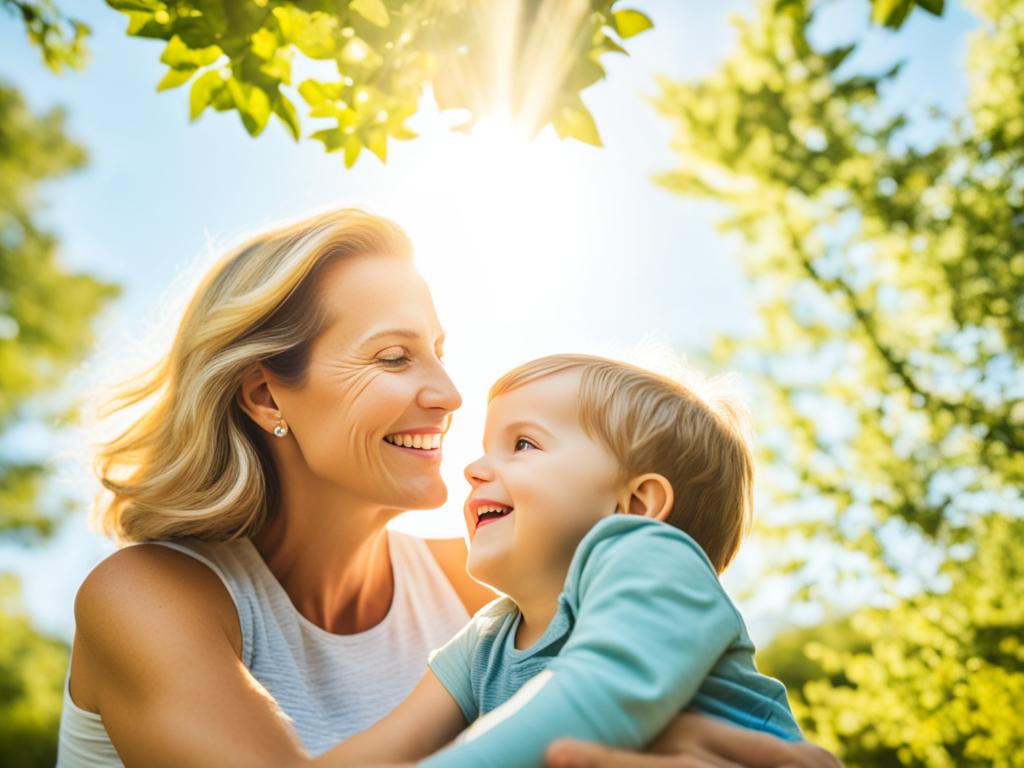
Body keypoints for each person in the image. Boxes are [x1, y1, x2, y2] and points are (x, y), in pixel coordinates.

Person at [58, 209, 840, 768]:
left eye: (437, 352)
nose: (449, 393)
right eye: (395, 358)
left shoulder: (491, 593)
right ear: (266, 398)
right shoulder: (149, 596)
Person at [312, 354, 801, 768]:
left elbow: (598, 700)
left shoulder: (658, 562)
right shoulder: (486, 639)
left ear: (637, 507)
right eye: (486, 448)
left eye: (523, 444)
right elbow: (385, 750)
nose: (474, 469)